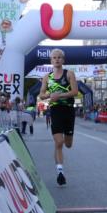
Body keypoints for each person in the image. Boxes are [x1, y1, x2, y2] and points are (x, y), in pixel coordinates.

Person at [39, 48, 80, 185]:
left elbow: (75, 91)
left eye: (59, 57)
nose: (57, 60)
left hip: (68, 110)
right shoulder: (47, 77)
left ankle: (58, 154)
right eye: (54, 58)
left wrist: (59, 95)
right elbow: (42, 94)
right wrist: (50, 96)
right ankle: (60, 172)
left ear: (63, 60)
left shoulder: (69, 74)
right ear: (51, 60)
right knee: (59, 142)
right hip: (55, 110)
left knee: (68, 144)